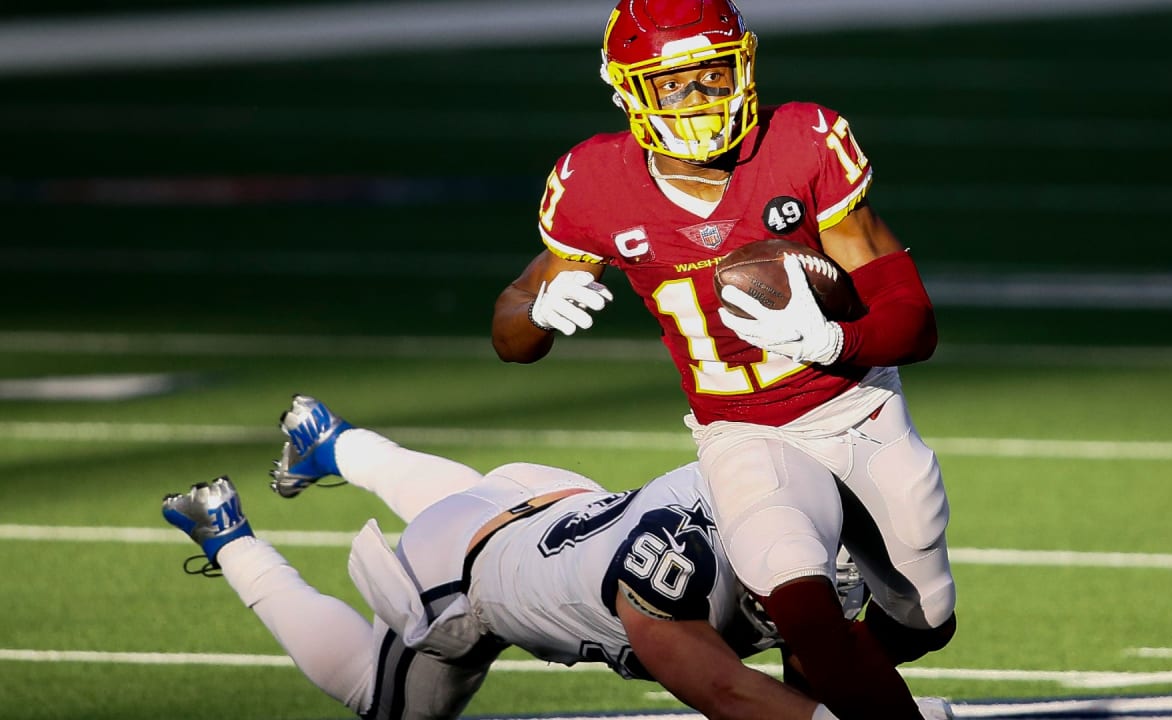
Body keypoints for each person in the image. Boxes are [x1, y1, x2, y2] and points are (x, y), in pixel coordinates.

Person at [490, 2, 957, 718]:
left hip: (854, 404)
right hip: (742, 429)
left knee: (925, 622)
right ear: (628, 92)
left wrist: (835, 341)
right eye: (672, 84)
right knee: (802, 600)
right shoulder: (593, 182)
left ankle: (818, 689)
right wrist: (538, 313)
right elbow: (510, 333)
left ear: (743, 63)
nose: (700, 99)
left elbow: (913, 320)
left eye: (712, 76)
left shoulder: (802, 141)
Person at [162, 395, 953, 720]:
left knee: (479, 504)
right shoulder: (672, 573)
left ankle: (333, 442)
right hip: (461, 577)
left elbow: (822, 658)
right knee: (382, 697)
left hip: (550, 507)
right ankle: (229, 534)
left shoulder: (771, 507)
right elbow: (721, 689)